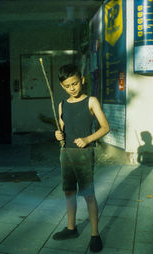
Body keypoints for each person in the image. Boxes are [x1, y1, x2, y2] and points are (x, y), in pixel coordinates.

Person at [53, 64, 110, 253]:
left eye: (75, 83)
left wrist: (88, 139)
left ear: (82, 80)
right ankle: (71, 228)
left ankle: (95, 234)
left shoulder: (91, 101)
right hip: (66, 153)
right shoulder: (62, 104)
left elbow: (105, 127)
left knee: (88, 194)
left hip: (84, 154)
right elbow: (63, 128)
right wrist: (58, 134)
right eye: (68, 86)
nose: (72, 88)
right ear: (62, 86)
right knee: (69, 192)